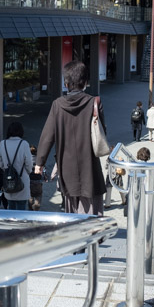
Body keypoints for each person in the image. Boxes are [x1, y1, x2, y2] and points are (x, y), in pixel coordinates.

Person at [35, 61, 107, 215]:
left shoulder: (57, 105)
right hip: (90, 167)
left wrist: (39, 163)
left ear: (66, 83)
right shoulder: (94, 103)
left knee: (72, 212)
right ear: (85, 82)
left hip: (67, 169)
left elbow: (48, 135)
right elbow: (102, 133)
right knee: (93, 214)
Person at [0, 122, 33, 211]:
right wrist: (27, 172)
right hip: (22, 180)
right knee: (21, 208)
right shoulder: (24, 144)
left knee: (11, 206)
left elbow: (0, 160)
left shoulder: (3, 143)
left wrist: (6, 169)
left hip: (8, 180)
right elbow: (29, 163)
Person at [28, 146, 44, 210]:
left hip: (30, 180)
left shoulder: (27, 159)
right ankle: (37, 206)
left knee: (30, 195)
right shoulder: (39, 160)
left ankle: (30, 207)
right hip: (38, 180)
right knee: (38, 195)